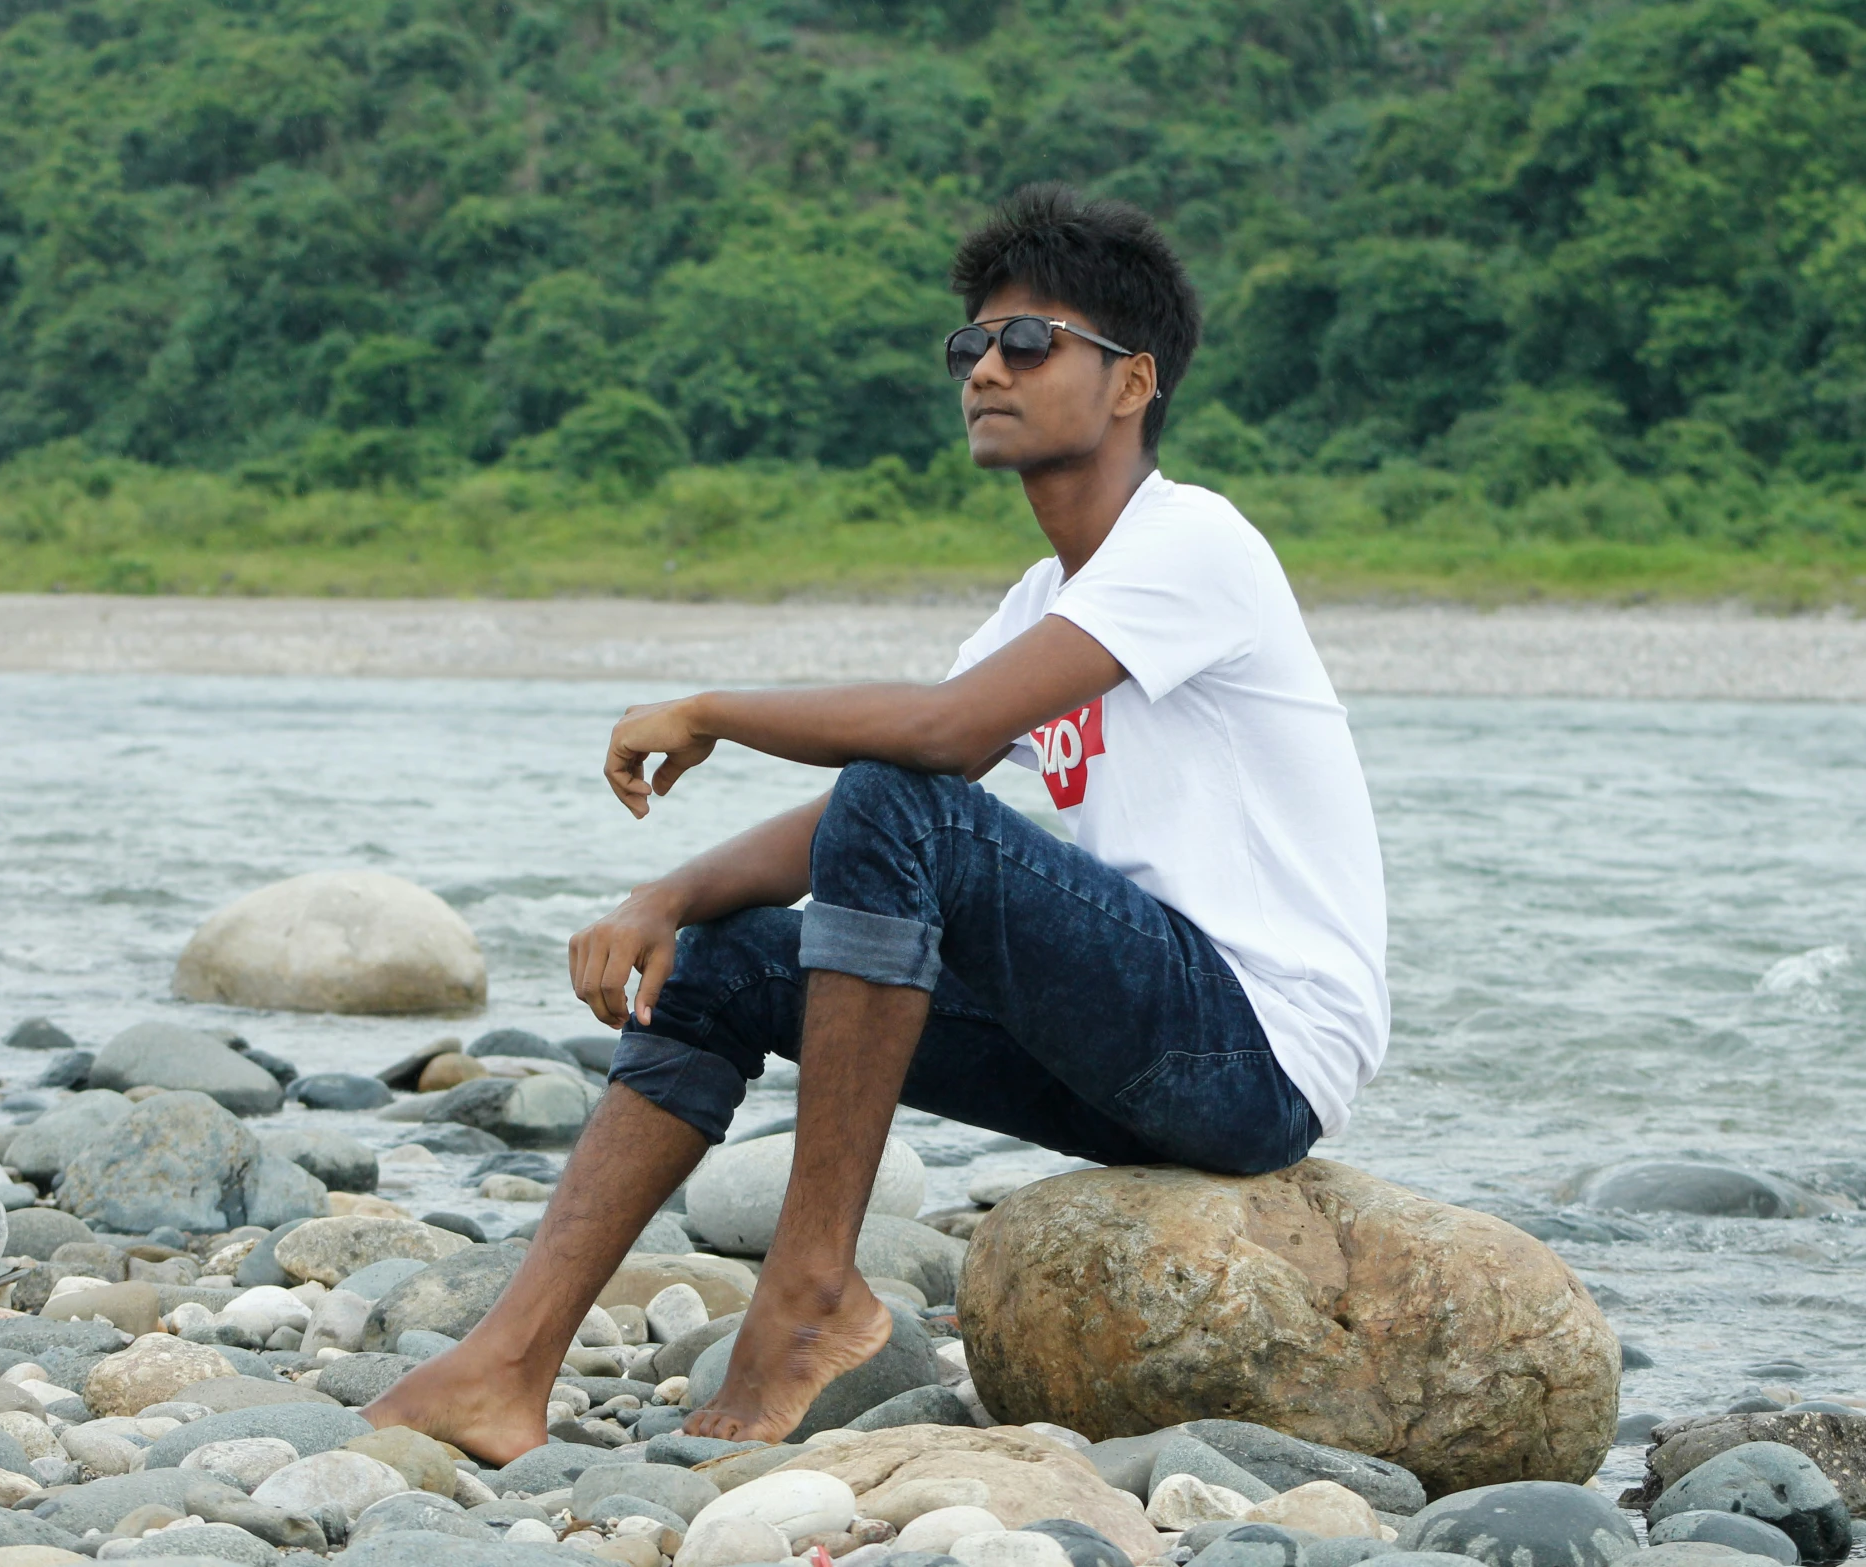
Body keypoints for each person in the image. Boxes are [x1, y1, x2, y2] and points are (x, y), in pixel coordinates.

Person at [363, 183, 1388, 1460]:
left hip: (1253, 1053)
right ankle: (505, 1364)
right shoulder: (1042, 598)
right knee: (723, 965)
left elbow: (935, 750)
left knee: (901, 795)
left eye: (1030, 343)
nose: (986, 370)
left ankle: (807, 1294)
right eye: (972, 345)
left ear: (1133, 385)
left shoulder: (1198, 544)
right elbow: (903, 788)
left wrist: (715, 708)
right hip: (1131, 1056)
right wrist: (667, 898)